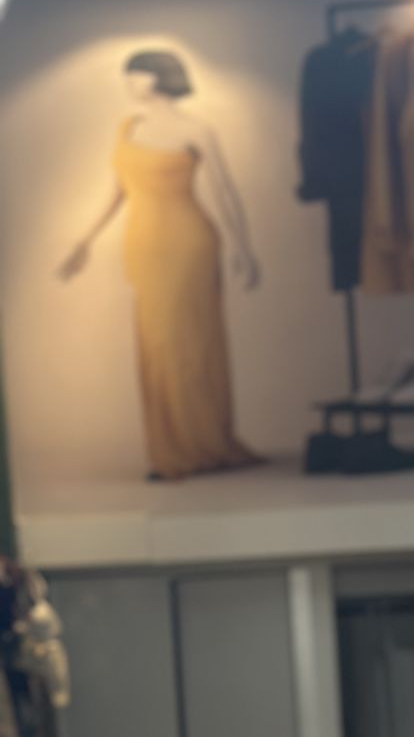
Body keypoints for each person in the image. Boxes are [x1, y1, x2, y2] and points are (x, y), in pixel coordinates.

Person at [57, 49, 261, 481]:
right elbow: (117, 190)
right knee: (156, 345)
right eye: (129, 75)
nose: (130, 83)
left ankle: (202, 444)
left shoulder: (196, 130)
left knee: (192, 346)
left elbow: (224, 191)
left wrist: (243, 248)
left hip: (189, 243)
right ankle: (169, 449)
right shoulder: (128, 128)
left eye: (137, 75)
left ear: (159, 78)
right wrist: (84, 241)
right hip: (145, 246)